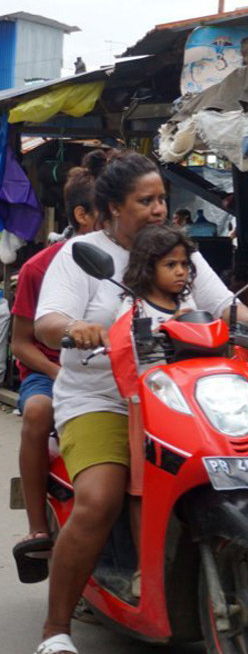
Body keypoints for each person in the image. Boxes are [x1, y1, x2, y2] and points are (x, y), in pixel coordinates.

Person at [33, 150, 248, 654]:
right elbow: (46, 321)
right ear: (110, 210)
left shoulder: (177, 249)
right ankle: (55, 630)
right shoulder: (81, 255)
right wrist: (76, 328)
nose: (157, 209)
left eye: (161, 199)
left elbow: (218, 301)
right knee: (100, 498)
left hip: (177, 394)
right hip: (101, 397)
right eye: (144, 201)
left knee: (235, 464)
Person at [11, 158, 99, 585]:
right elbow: (22, 344)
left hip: (111, 369)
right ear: (82, 216)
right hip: (49, 370)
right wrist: (57, 371)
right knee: (38, 412)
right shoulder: (37, 268)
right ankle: (37, 527)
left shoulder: (138, 260)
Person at [118, 222, 197, 598]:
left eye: (184, 264)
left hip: (189, 410)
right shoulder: (133, 308)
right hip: (146, 411)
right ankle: (142, 567)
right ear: (148, 268)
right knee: (142, 490)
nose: (181, 271)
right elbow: (126, 350)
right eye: (171, 265)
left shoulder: (189, 306)